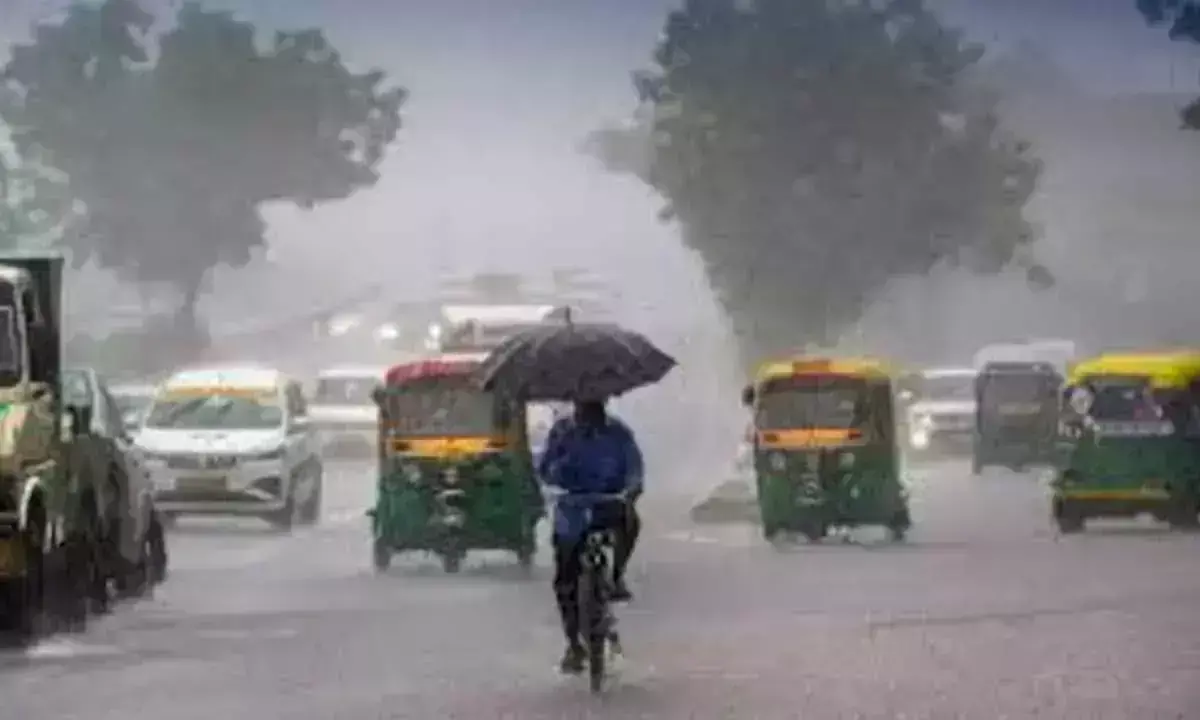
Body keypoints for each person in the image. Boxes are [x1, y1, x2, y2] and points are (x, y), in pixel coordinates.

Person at [538, 398, 643, 674]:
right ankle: (574, 644)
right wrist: (559, 469)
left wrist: (632, 490)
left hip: (609, 504)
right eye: (584, 405)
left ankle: (617, 576)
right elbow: (545, 470)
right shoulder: (562, 432)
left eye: (595, 404)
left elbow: (634, 468)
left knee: (631, 522)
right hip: (572, 509)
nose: (589, 410)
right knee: (565, 582)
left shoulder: (619, 432)